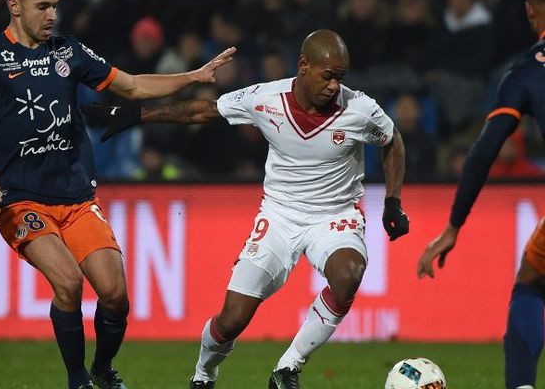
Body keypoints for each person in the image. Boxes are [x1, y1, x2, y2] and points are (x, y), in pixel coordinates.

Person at [83, 29, 409, 389]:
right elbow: (202, 110)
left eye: (340, 77)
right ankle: (203, 374)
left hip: (335, 216)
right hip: (279, 216)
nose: (334, 86)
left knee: (348, 274)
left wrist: (392, 200)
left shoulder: (359, 109)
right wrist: (136, 116)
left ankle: (288, 368)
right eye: (328, 75)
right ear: (303, 66)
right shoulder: (265, 98)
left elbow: (392, 139)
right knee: (232, 320)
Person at [0, 0, 235, 389]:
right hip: (20, 197)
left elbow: (131, 86)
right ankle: (78, 380)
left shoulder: (69, 52)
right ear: (15, 6)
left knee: (115, 294)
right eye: (42, 6)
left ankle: (101, 369)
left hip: (77, 197)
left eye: (55, 5)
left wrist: (191, 76)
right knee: (68, 282)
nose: (52, 15)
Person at [417, 0, 545, 388]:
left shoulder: (526, 70)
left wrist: (454, 226)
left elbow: (484, 151)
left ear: (529, 10)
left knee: (532, 280)